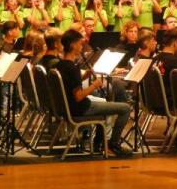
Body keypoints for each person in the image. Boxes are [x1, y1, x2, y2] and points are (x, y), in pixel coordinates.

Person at [55, 29, 131, 157]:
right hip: (80, 108)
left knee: (105, 104)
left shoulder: (61, 65)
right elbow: (78, 96)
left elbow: (70, 86)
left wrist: (85, 77)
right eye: (80, 43)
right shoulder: (72, 68)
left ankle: (99, 144)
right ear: (73, 45)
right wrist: (94, 85)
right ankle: (113, 145)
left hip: (66, 106)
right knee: (125, 108)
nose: (81, 46)